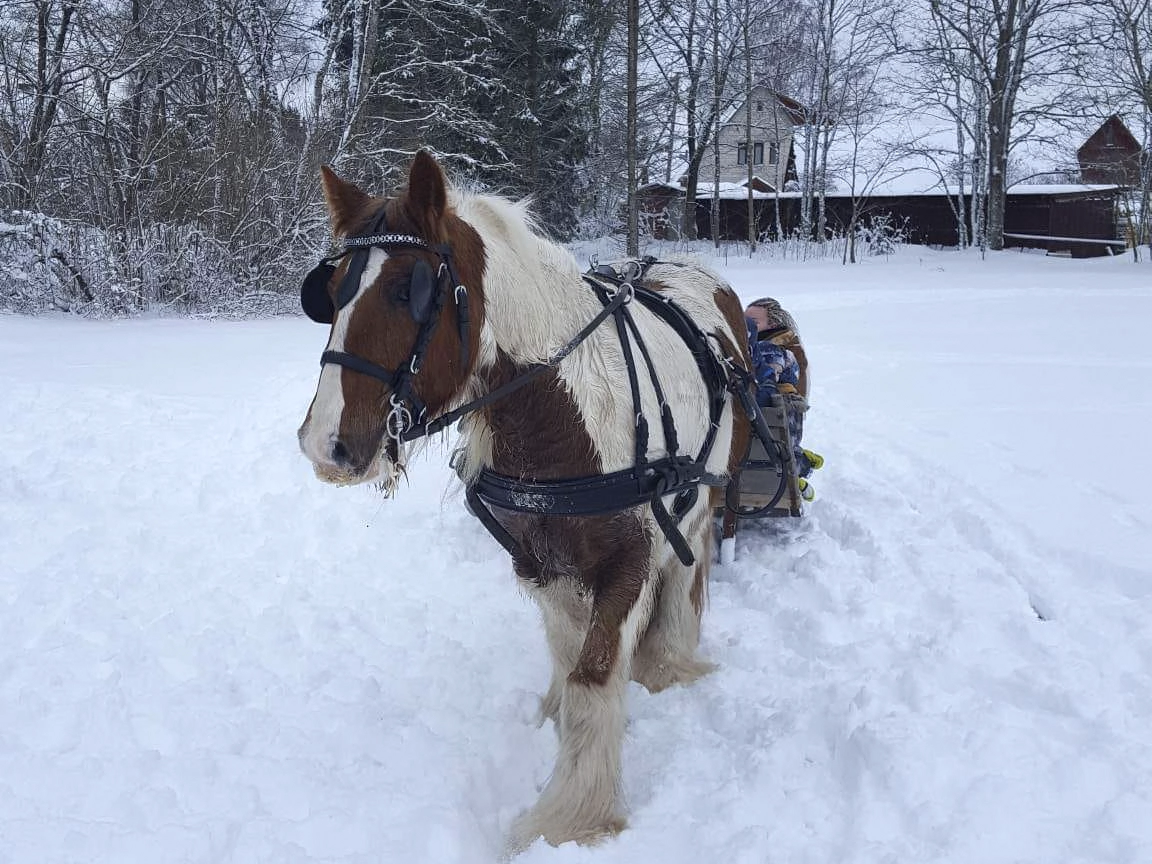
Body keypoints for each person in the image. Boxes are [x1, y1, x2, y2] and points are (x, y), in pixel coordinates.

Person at [745, 298, 823, 499]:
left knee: (776, 447)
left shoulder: (770, 350)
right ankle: (803, 461)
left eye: (753, 321)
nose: (746, 325)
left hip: (775, 415)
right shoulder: (768, 347)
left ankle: (796, 473)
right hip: (782, 419)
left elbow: (761, 385)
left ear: (772, 324)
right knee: (785, 444)